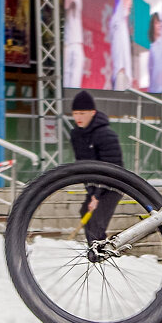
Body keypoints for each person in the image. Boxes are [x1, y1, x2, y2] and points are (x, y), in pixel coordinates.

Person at [69, 90, 124, 242]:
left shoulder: (106, 134)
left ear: (92, 112)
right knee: (85, 212)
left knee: (95, 223)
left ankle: (101, 252)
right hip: (95, 183)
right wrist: (92, 192)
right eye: (75, 113)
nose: (78, 117)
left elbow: (112, 166)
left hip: (113, 184)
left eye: (82, 113)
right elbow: (83, 165)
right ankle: (96, 250)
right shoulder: (76, 135)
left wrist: (98, 195)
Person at [108, 0, 134, 90]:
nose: (130, 3)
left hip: (124, 76)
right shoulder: (117, 19)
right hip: (121, 75)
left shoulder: (121, 23)